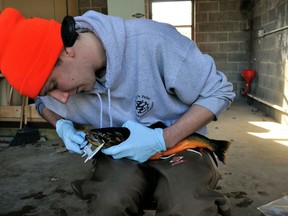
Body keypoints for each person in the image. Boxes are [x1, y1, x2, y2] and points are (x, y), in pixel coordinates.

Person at [0, 7, 235, 216]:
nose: (61, 98)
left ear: (65, 50)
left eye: (53, 85)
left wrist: (163, 138)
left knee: (188, 207)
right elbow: (42, 105)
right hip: (118, 150)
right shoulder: (64, 90)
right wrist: (62, 126)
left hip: (181, 144)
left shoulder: (152, 41)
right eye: (48, 92)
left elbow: (219, 92)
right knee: (109, 203)